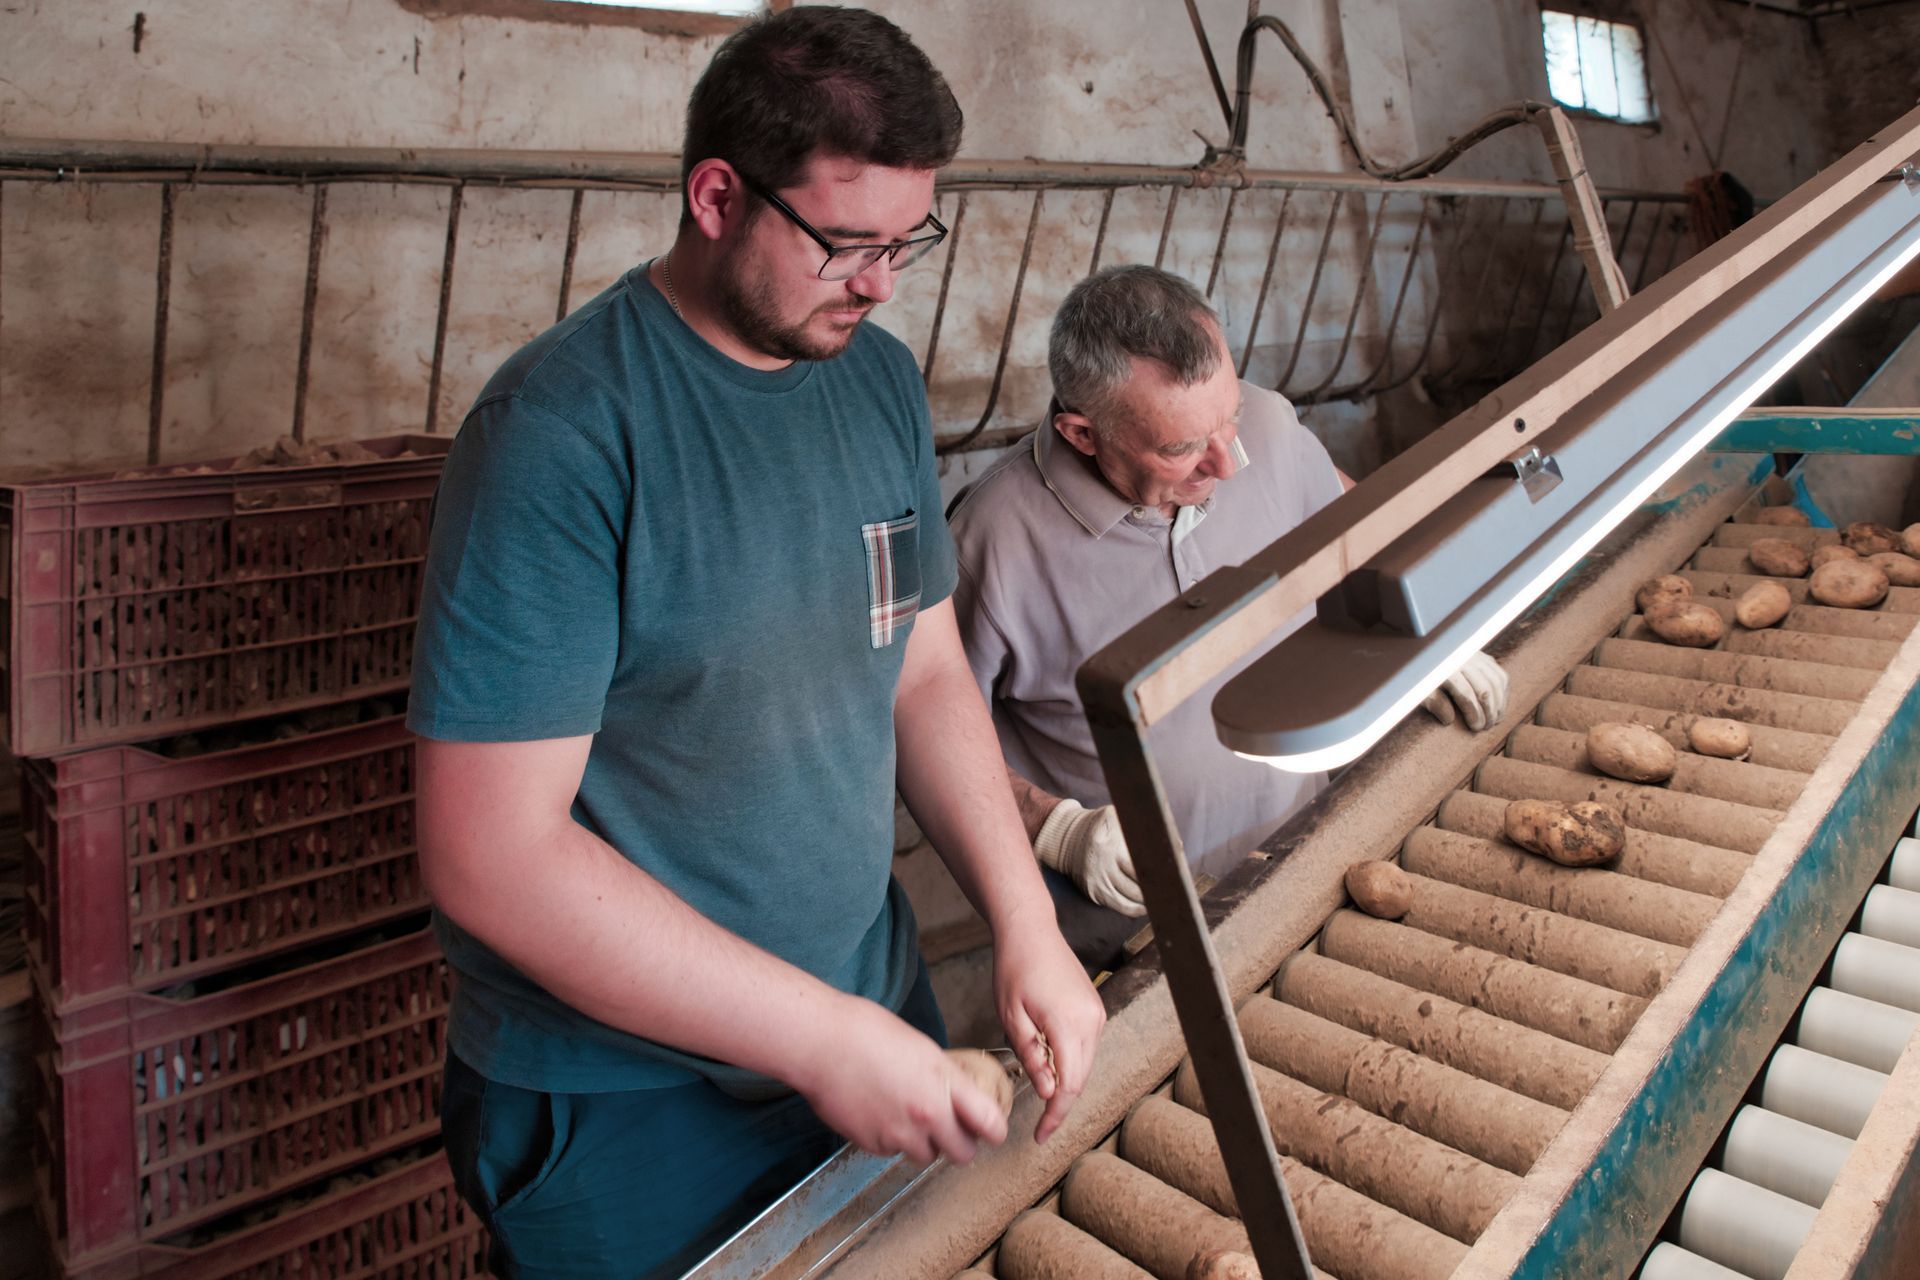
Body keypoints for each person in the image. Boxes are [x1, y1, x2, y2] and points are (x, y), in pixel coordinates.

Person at [406, 10, 1104, 1277]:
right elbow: (491, 854)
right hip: (628, 1095)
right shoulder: (560, 433)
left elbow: (925, 667)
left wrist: (1024, 920)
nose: (883, 281)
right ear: (718, 196)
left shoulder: (877, 380)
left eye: (909, 242)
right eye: (847, 243)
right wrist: (819, 1036)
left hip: (866, 1000)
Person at [949, 265, 1509, 967]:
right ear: (1082, 434)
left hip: (1313, 859)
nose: (1229, 461)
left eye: (1228, 417)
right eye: (1181, 448)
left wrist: (1419, 630)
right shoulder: (990, 544)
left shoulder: (1268, 427)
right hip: (1140, 936)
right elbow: (928, 741)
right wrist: (1051, 827)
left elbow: (1362, 532)